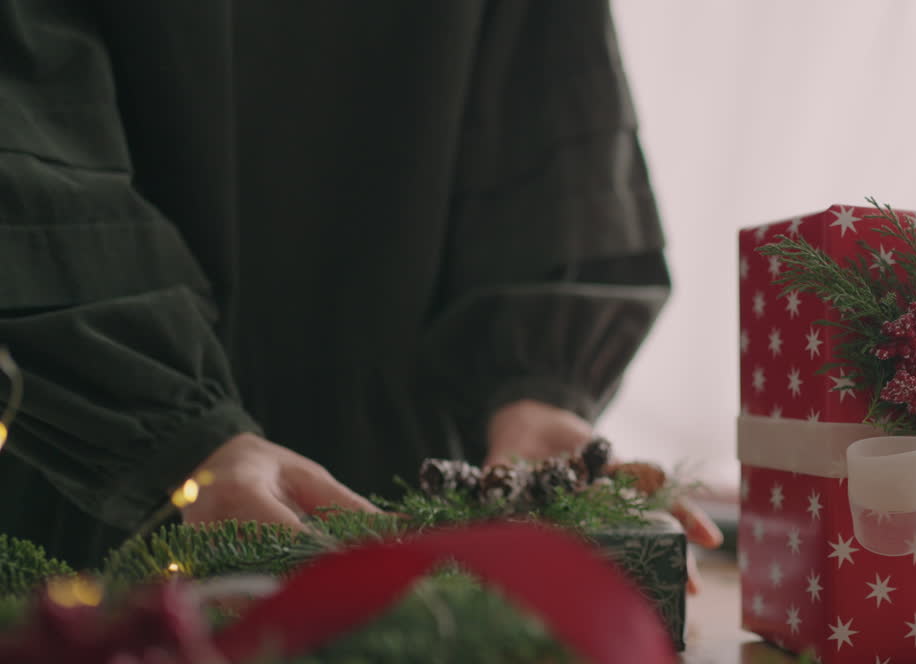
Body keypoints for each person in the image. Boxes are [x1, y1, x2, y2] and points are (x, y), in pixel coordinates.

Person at [0, 1, 720, 570]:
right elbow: (28, 140)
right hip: (111, 502)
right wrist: (183, 438)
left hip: (420, 515)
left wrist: (535, 395)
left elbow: (551, 114)